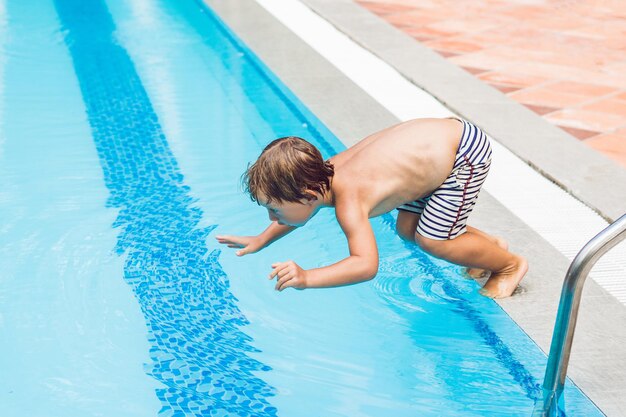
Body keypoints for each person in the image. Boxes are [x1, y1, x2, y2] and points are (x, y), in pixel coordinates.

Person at [216, 117, 528, 298]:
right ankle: (486, 248)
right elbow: (294, 214)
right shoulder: (321, 178)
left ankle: (508, 265)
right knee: (408, 229)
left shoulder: (349, 201)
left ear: (310, 196)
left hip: (462, 153)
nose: (273, 218)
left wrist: (308, 277)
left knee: (433, 238)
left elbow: (365, 265)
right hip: (434, 152)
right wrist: (261, 240)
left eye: (275, 211)